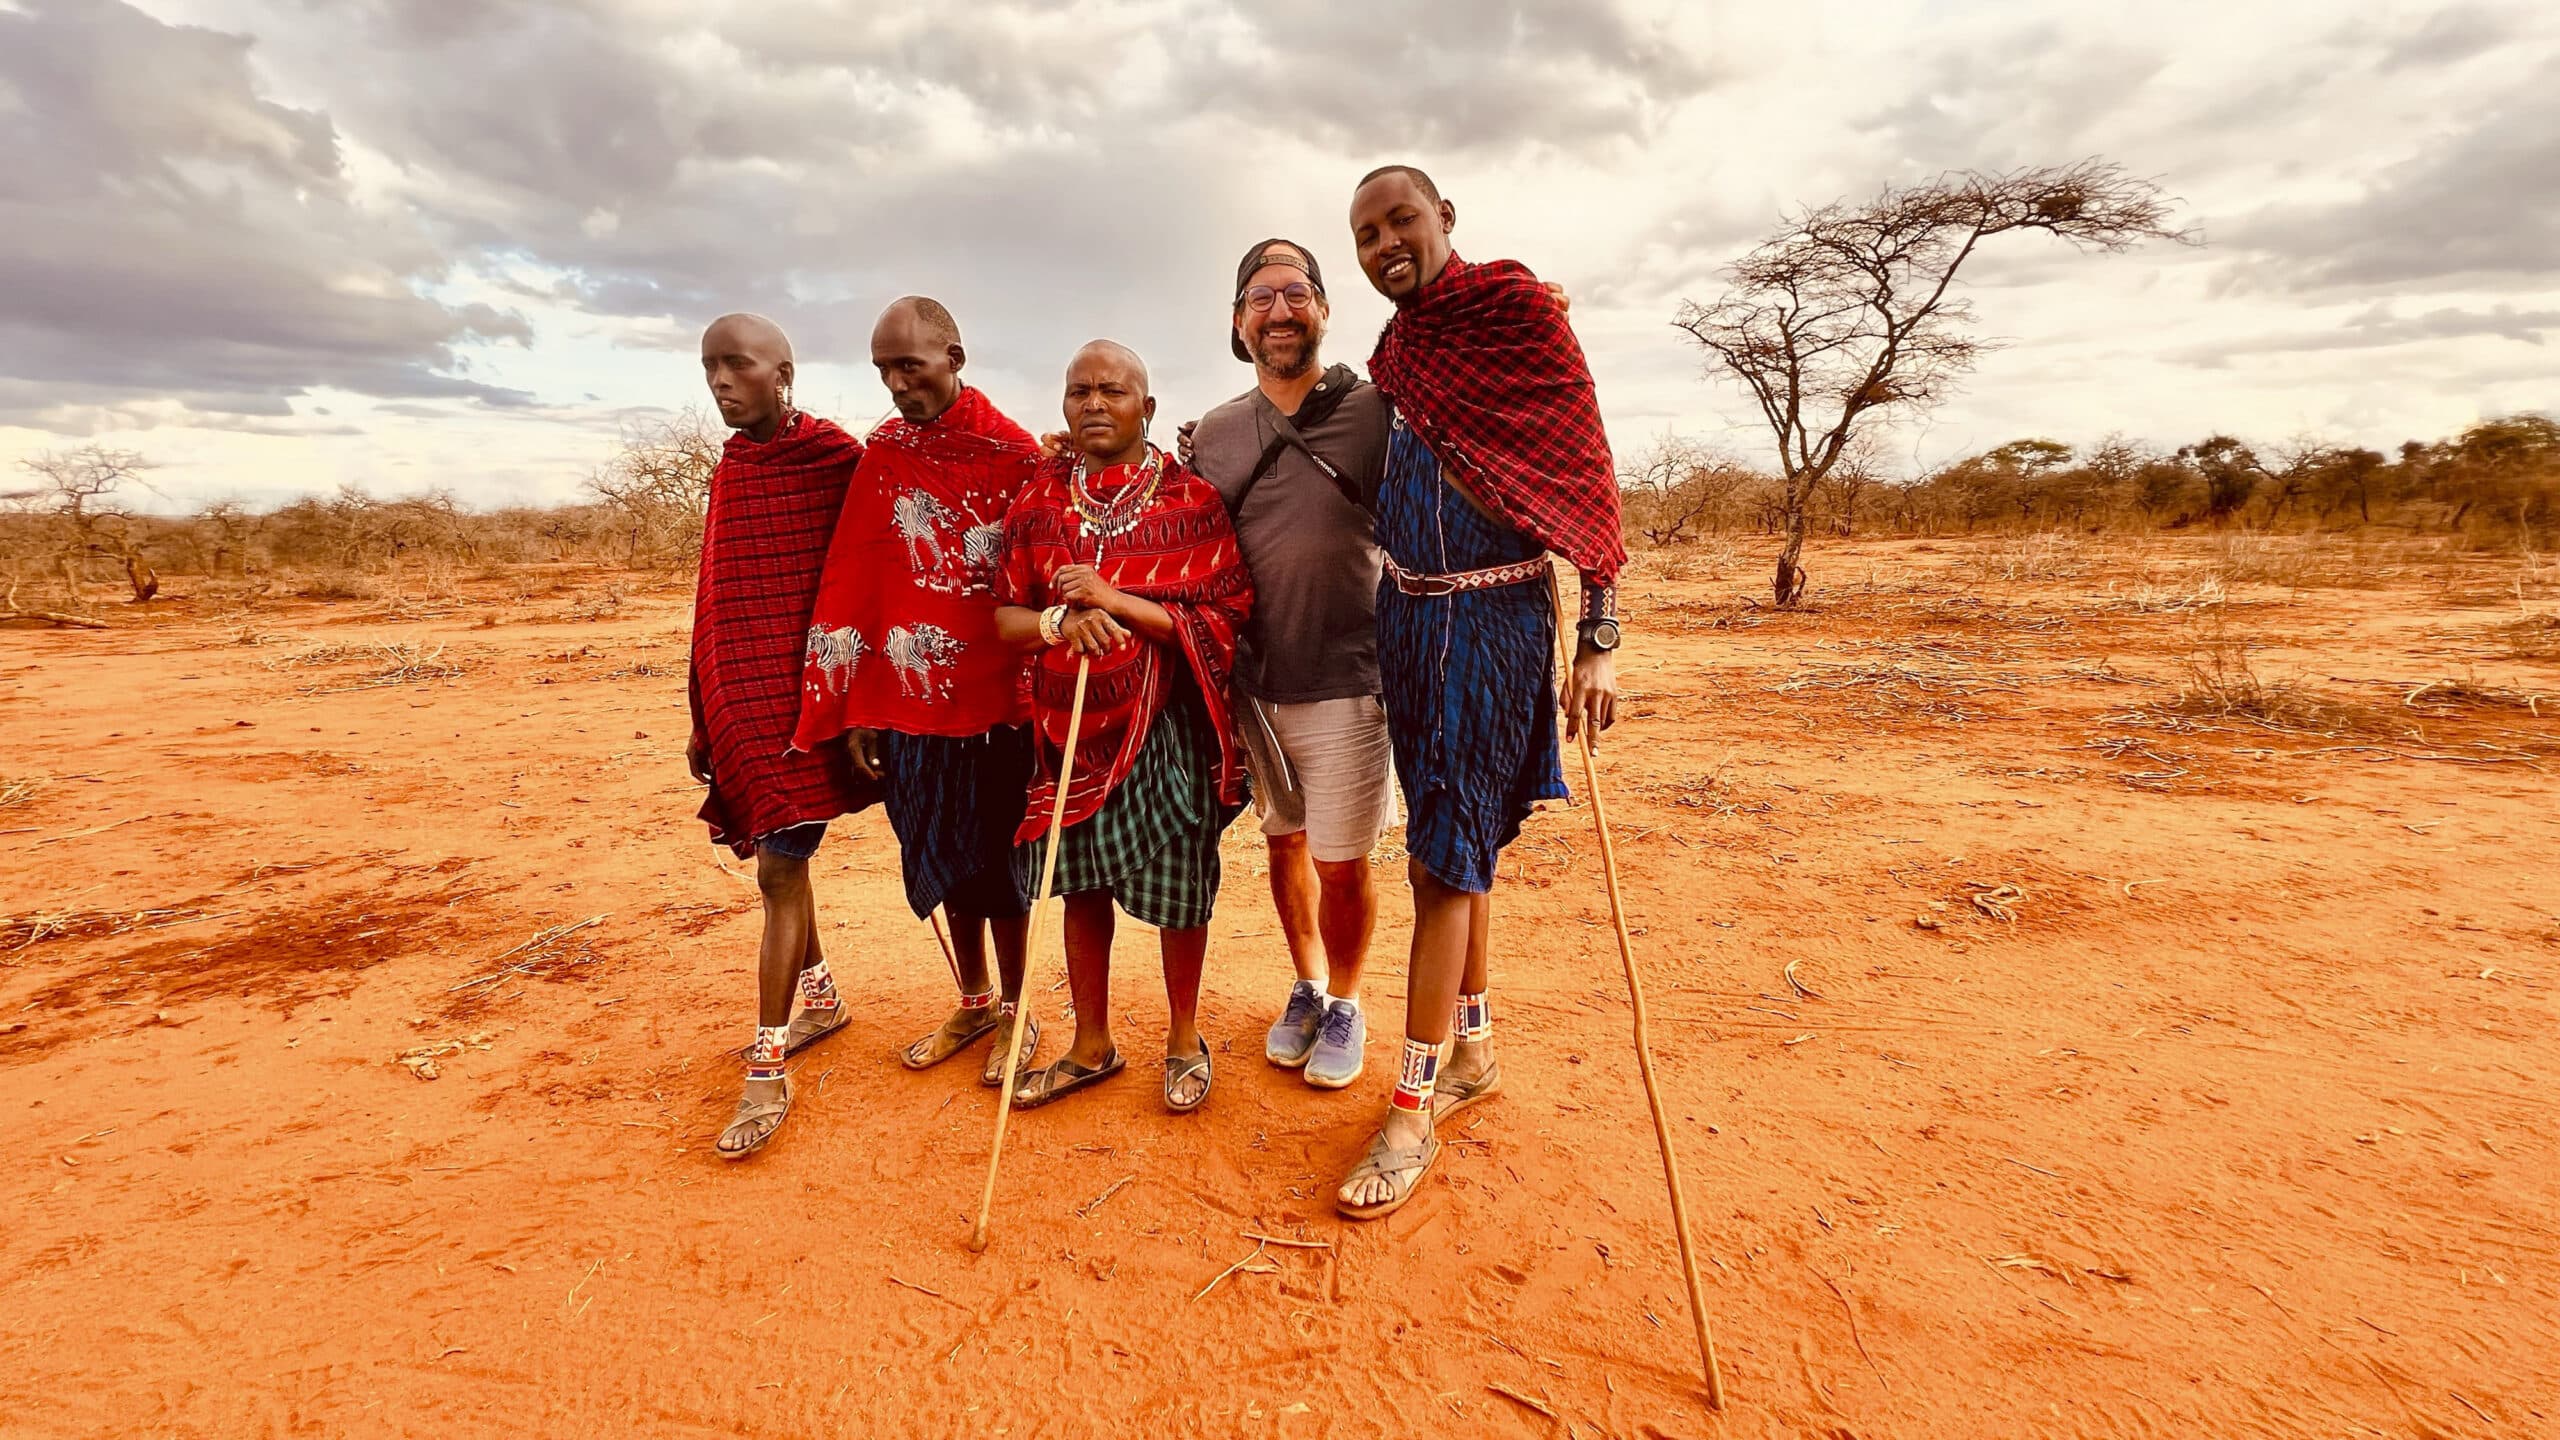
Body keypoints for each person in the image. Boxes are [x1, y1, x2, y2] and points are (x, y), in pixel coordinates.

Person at [1333, 166, 1624, 1218]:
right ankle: (1472, 1050)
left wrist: (1597, 634)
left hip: (1494, 618)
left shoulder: (1516, 313)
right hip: (1407, 619)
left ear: (1443, 218)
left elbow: (1583, 466)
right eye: (1365, 233)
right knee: (1449, 851)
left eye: (1399, 220)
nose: (1384, 244)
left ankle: (1411, 1107)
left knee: (1444, 859)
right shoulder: (1397, 354)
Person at [994, 340, 1255, 1114]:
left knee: (1183, 891)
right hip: (1067, 733)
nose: (1094, 404)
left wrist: (1115, 601)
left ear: (1148, 407)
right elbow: (1004, 616)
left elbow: (1226, 615)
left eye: (1113, 390)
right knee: (1079, 889)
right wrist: (1056, 622)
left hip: (1163, 731)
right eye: (1079, 391)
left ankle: (1183, 1038)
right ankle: (1091, 1043)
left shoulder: (1191, 503)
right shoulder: (1038, 503)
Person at [792, 297, 1042, 1090]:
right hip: (908, 701)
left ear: (954, 358)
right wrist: (860, 705)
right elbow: (858, 580)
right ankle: (970, 1001)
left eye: (912, 366)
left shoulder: (1014, 455)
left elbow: (1039, 574)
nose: (898, 385)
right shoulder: (886, 456)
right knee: (939, 859)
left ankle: (1017, 1009)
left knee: (1003, 871)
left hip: (998, 704)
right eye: (884, 371)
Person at [1187, 239, 1395, 1090]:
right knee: (1285, 844)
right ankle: (1306, 984)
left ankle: (1347, 999)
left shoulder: (1379, 409)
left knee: (1343, 859)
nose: (1280, 311)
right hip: (1255, 685)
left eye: (1296, 292)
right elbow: (1173, 530)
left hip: (1352, 675)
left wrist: (1528, 328)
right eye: (1261, 298)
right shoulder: (1216, 434)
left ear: (1323, 307)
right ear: (1238, 323)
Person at [687, 312, 874, 1161]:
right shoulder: (734, 467)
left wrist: (863, 691)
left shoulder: (834, 459)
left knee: (779, 865)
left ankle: (767, 1066)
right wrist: (705, 703)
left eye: (739, 365)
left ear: (783, 372)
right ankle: (822, 998)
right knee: (781, 857)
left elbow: (873, 570)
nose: (722, 381)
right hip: (744, 697)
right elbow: (720, 591)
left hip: (817, 696)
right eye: (710, 368)